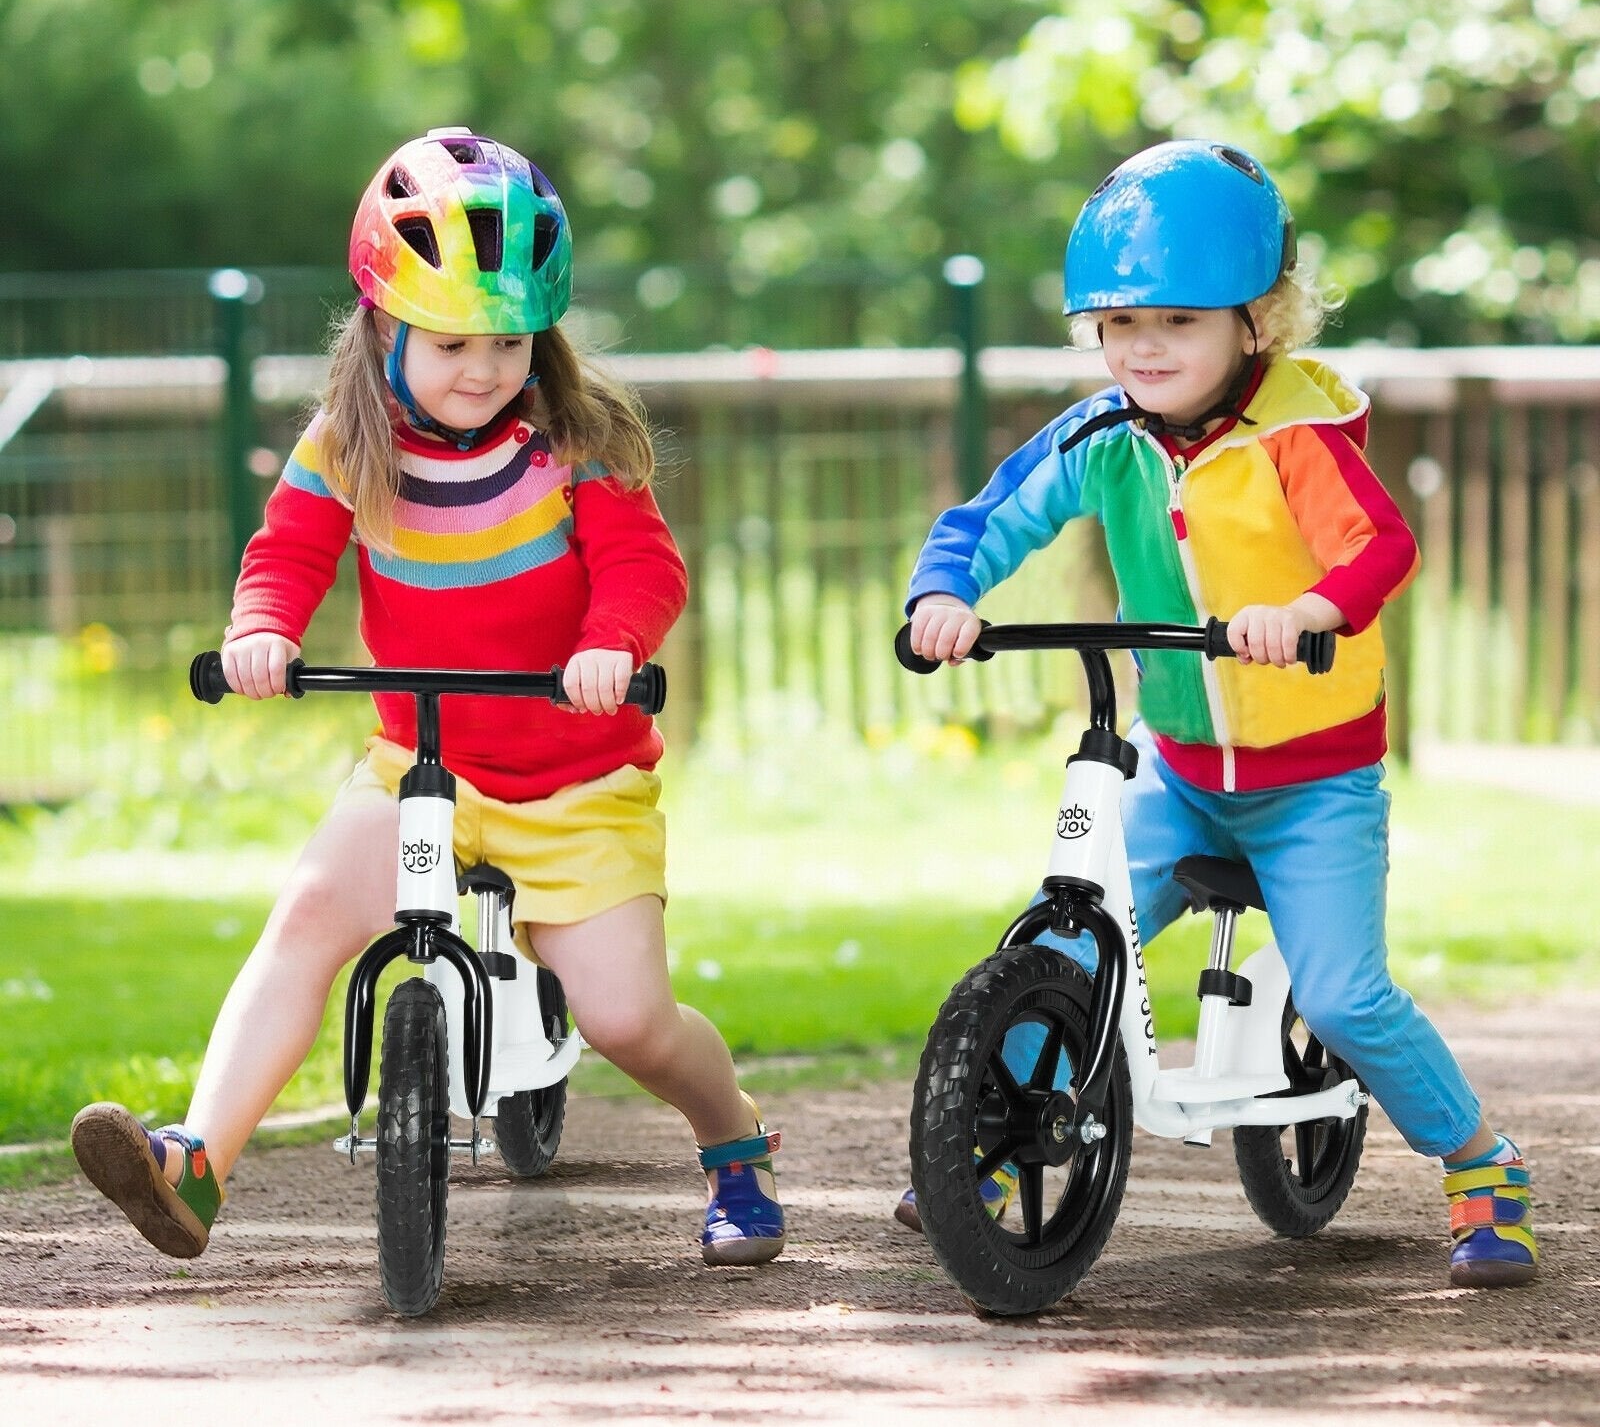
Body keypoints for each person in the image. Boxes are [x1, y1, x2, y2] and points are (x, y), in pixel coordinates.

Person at [71, 127, 784, 1269]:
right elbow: (288, 551)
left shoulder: (575, 442)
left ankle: (732, 1137)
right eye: (451, 340)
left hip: (576, 777)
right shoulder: (349, 442)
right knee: (306, 916)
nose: (483, 368)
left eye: (508, 340)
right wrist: (262, 631)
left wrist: (611, 642)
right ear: (381, 322)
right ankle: (194, 1164)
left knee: (629, 1019)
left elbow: (646, 570)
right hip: (418, 765)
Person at [894, 139, 1536, 1289]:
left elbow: (1375, 546)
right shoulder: (1104, 434)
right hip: (1181, 771)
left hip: (1311, 783)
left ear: (1258, 320)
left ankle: (1481, 1166)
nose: (1143, 348)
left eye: (1177, 322)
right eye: (1119, 323)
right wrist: (945, 594)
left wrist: (1305, 608)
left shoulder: (1295, 436)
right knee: (1063, 936)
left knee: (1342, 992)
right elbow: (991, 514)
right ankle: (984, 1147)